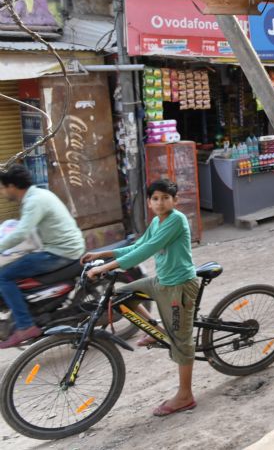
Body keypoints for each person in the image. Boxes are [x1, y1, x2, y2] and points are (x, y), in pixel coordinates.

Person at [82, 179, 200, 417]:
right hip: (161, 282)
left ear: (175, 201)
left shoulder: (176, 220)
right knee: (121, 296)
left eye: (166, 197)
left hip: (179, 287)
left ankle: (185, 396)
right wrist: (102, 254)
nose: (160, 202)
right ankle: (156, 328)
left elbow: (146, 251)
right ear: (149, 202)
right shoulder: (156, 221)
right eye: (155, 198)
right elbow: (138, 245)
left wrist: (104, 268)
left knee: (182, 342)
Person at [0, 164, 86, 348]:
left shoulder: (33, 201)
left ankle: (25, 325)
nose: (3, 192)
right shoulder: (38, 194)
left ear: (12, 186)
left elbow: (22, 233)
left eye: (3, 187)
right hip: (63, 247)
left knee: (4, 276)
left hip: (61, 252)